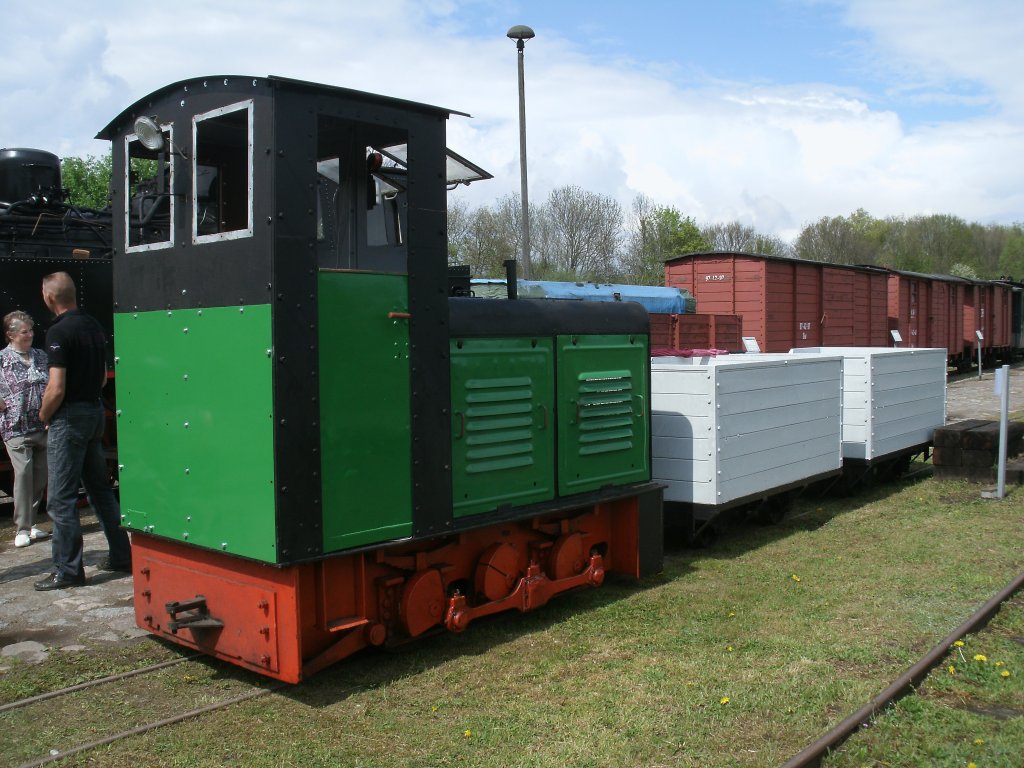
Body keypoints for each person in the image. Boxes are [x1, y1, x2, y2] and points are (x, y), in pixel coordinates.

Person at [34, 272, 131, 591]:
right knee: (100, 490)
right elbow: (103, 378)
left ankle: (68, 570)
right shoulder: (93, 325)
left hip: (69, 417)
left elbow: (56, 387)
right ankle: (121, 554)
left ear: (49, 298)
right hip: (93, 412)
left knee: (60, 499)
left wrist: (44, 414)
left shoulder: (58, 331)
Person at [0, 311, 51, 548]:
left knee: (40, 475)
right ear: (10, 335)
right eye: (24, 331)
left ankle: (31, 525)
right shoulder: (2, 359)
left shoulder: (40, 356)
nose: (30, 335)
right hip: (15, 427)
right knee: (23, 474)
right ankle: (21, 528)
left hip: (42, 425)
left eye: (31, 330)